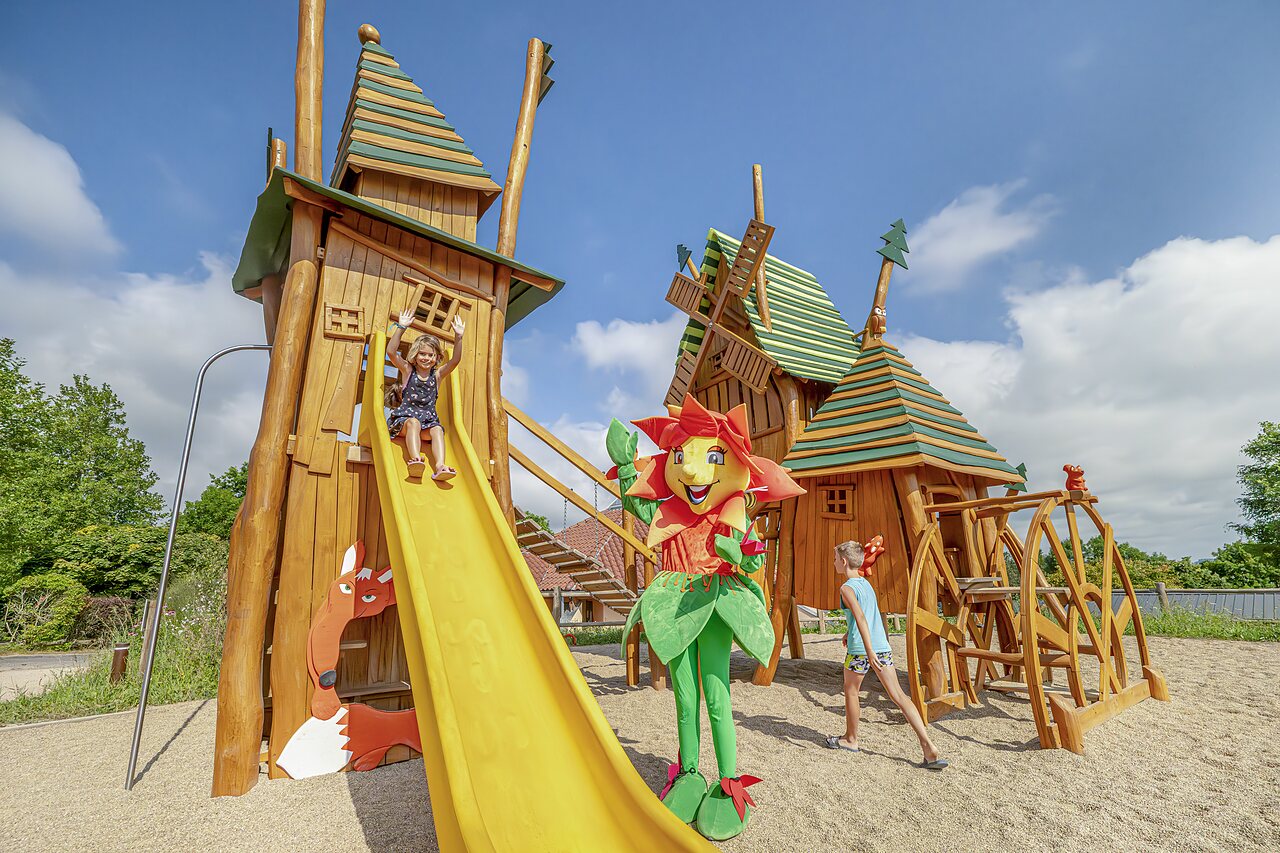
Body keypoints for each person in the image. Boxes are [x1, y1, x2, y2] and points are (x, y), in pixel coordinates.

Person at [826, 539, 948, 770]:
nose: (833, 563)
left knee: (851, 692)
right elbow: (868, 615)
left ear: (843, 561)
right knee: (899, 696)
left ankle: (850, 740)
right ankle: (928, 747)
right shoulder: (866, 585)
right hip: (882, 647)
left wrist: (867, 650)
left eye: (834, 559)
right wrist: (849, 632)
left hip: (861, 650)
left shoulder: (846, 588)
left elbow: (862, 618)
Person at [386, 310, 464, 480]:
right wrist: (401, 327)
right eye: (423, 354)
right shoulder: (408, 371)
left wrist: (459, 337)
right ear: (415, 355)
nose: (426, 358)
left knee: (437, 429)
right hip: (404, 423)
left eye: (431, 355)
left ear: (436, 358)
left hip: (426, 425)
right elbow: (391, 352)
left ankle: (440, 466)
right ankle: (415, 459)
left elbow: (455, 361)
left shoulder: (437, 375)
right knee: (414, 423)